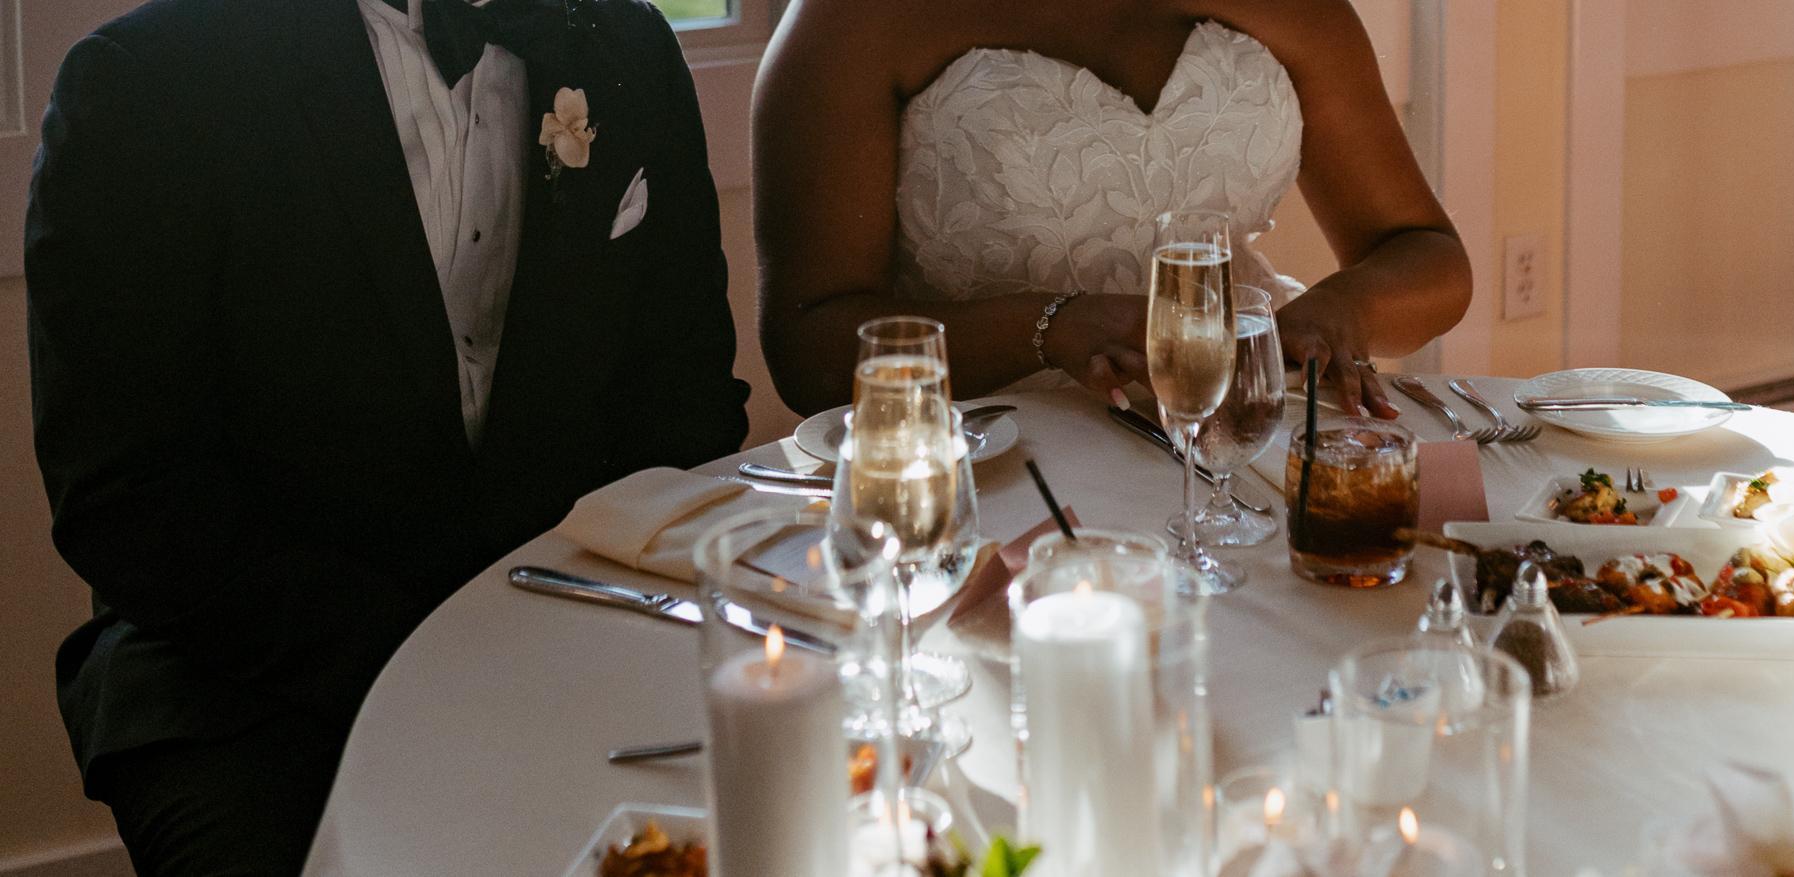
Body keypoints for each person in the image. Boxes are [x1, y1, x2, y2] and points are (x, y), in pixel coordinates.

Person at [26, 0, 747, 871]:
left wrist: (583, 626)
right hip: (249, 676)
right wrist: (436, 652)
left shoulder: (626, 46)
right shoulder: (145, 83)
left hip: (570, 627)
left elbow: (685, 398)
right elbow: (125, 498)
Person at [753, 0, 1471, 419]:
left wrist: (1340, 310)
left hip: (1244, 430)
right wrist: (1052, 327)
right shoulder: (857, 18)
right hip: (995, 465)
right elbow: (806, 348)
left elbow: (1427, 252)